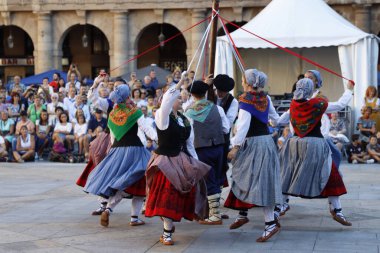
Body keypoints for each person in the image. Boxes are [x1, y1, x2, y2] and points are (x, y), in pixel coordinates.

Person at [145, 73, 210, 246]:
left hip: (180, 161)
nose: (181, 99)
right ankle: (167, 233)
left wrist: (196, 166)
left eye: (182, 98)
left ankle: (168, 225)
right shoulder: (162, 117)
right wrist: (180, 82)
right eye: (178, 99)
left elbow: (189, 145)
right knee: (166, 198)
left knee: (175, 197)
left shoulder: (185, 119)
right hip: (164, 162)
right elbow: (166, 102)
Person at [280, 78, 351, 227]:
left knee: (288, 174)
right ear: (311, 90)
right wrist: (349, 90)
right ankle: (337, 209)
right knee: (330, 174)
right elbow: (340, 104)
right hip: (315, 145)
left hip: (295, 145)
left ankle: (278, 207)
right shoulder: (318, 104)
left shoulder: (293, 104)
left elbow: (279, 121)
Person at [84, 84, 157, 228]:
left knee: (120, 183)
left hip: (117, 150)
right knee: (140, 183)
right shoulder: (134, 111)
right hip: (135, 150)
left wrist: (113, 151)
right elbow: (146, 128)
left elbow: (112, 136)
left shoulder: (113, 113)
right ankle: (134, 218)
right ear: (127, 96)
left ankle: (109, 208)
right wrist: (158, 139)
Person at [224, 69, 282, 242]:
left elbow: (243, 126)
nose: (241, 82)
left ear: (247, 83)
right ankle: (243, 213)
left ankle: (270, 223)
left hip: (253, 144)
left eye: (243, 80)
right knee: (249, 178)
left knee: (252, 179)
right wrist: (269, 124)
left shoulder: (246, 101)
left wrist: (235, 146)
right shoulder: (266, 98)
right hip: (266, 143)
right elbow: (275, 118)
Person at [184, 78, 230, 225]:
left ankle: (215, 215)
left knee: (208, 181)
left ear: (192, 95)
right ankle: (214, 211)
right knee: (217, 178)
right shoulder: (218, 108)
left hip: (201, 149)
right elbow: (226, 129)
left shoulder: (189, 112)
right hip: (219, 147)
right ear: (205, 93)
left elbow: (188, 135)